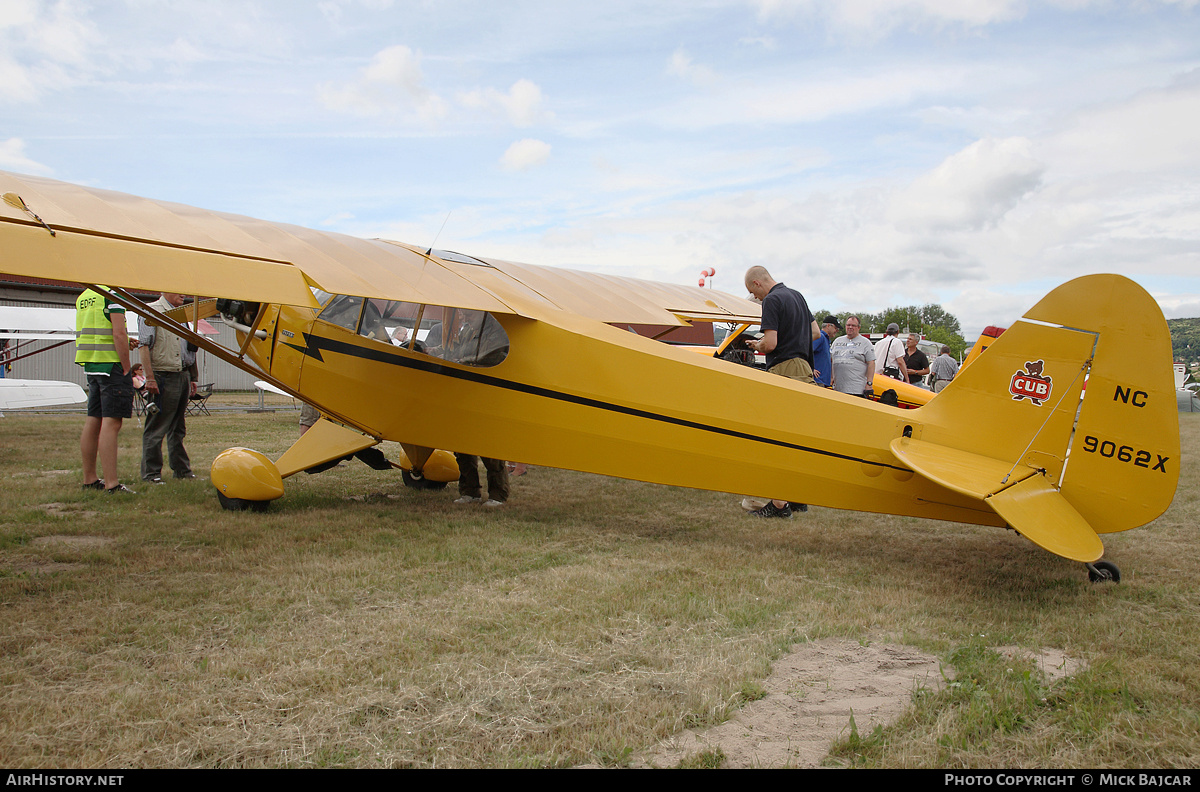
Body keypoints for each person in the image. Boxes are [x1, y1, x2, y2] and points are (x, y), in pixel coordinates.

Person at [742, 266, 821, 519]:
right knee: (798, 437)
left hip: (784, 368)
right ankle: (796, 497)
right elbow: (816, 332)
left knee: (773, 436)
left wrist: (759, 344)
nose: (757, 299)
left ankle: (778, 504)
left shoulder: (773, 300)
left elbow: (771, 344)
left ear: (757, 284)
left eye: (753, 294)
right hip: (805, 369)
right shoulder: (797, 296)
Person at [76, 286, 136, 494]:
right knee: (112, 423)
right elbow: (118, 334)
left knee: (93, 419)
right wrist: (127, 366)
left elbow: (98, 333)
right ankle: (112, 483)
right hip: (112, 366)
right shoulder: (112, 296)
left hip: (93, 365)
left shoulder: (84, 297)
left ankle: (89, 478)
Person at [138, 293, 199, 483]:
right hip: (163, 375)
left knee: (178, 427)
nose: (183, 294)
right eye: (178, 290)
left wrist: (193, 376)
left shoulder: (184, 315)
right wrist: (150, 378)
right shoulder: (152, 311)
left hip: (182, 374)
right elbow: (143, 346)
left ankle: (182, 470)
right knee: (157, 427)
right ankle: (151, 473)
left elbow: (189, 346)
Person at [830, 316, 876, 398]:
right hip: (838, 389)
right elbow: (831, 360)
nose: (850, 327)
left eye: (853, 325)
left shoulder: (865, 343)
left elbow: (871, 363)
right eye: (848, 325)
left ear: (858, 328)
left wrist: (869, 383)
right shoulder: (837, 341)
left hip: (856, 389)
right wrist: (831, 377)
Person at [812, 315, 840, 387]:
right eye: (835, 328)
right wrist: (811, 369)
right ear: (828, 326)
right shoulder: (820, 337)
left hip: (823, 381)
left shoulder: (826, 340)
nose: (837, 331)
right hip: (817, 381)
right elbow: (806, 351)